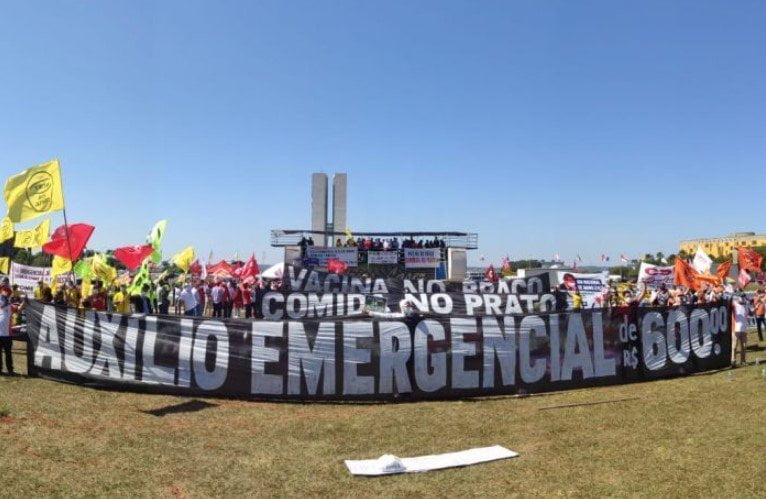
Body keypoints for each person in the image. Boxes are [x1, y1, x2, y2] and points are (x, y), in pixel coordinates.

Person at [0, 279, 14, 375]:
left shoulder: (10, 304)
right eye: (3, 288)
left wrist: (25, 302)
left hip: (7, 333)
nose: (5, 290)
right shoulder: (4, 299)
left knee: (8, 353)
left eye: (6, 288)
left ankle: (10, 370)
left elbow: (19, 308)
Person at [732, 294, 748, 367]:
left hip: (744, 329)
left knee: (744, 346)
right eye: (741, 297)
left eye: (743, 297)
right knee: (734, 346)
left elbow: (749, 313)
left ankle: (743, 361)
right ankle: (733, 361)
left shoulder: (746, 306)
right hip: (736, 329)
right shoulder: (734, 304)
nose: (742, 298)